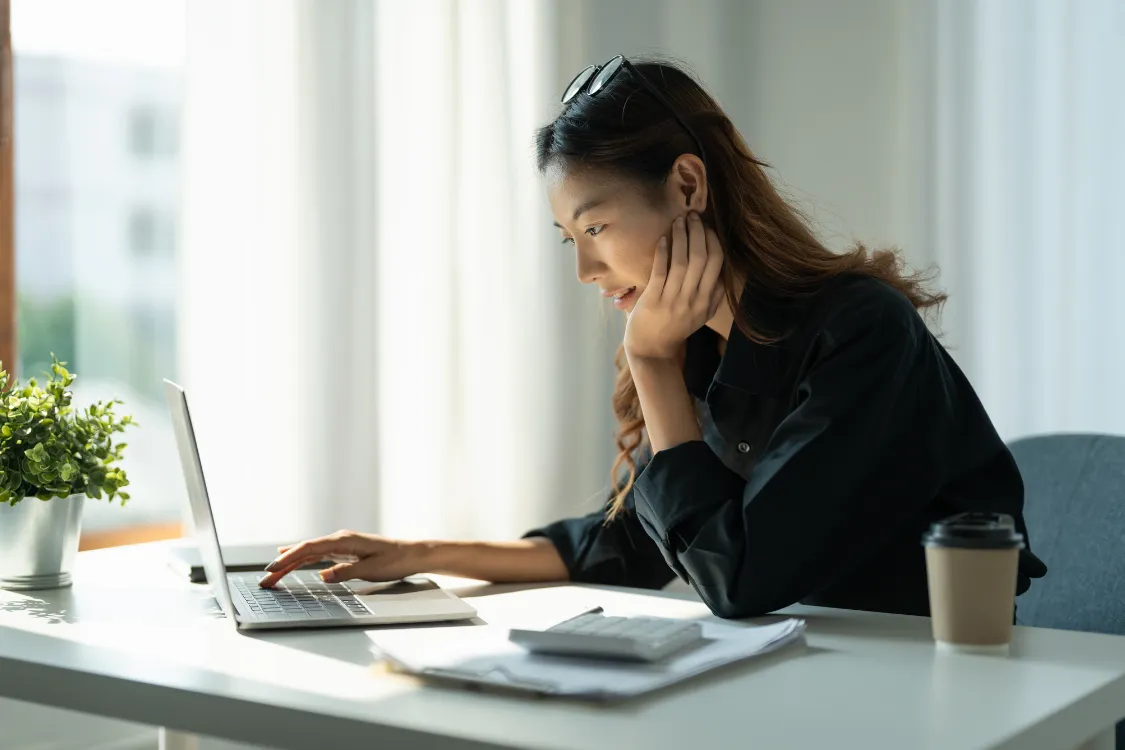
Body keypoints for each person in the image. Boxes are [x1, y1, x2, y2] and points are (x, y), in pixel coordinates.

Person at [259, 56, 1047, 618]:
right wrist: (417, 555)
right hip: (814, 674)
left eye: (597, 225)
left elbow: (737, 578)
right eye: (568, 237)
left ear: (688, 185)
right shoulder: (697, 345)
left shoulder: (861, 332)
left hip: (934, 685)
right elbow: (624, 542)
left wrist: (651, 363)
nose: (587, 269)